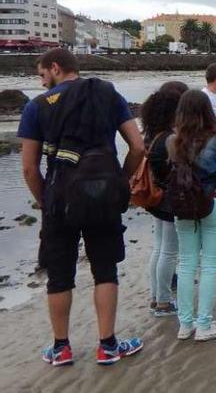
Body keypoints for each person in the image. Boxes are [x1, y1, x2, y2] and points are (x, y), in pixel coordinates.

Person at [17, 48, 145, 366]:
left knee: (59, 275)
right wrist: (122, 180)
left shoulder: (36, 107)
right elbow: (138, 146)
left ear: (56, 68)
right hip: (103, 194)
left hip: (60, 198)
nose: (41, 80)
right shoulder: (106, 93)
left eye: (42, 74)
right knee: (105, 269)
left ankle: (61, 348)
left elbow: (29, 168)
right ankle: (108, 346)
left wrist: (45, 200)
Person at [169, 90, 216, 341]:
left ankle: (185, 324)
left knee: (186, 263)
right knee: (209, 265)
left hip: (184, 205)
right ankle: (204, 323)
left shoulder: (174, 142)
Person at [140, 88, 184, 317]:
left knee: (158, 248)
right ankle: (164, 302)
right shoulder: (169, 139)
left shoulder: (150, 135)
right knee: (169, 251)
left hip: (155, 199)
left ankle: (156, 297)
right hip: (169, 200)